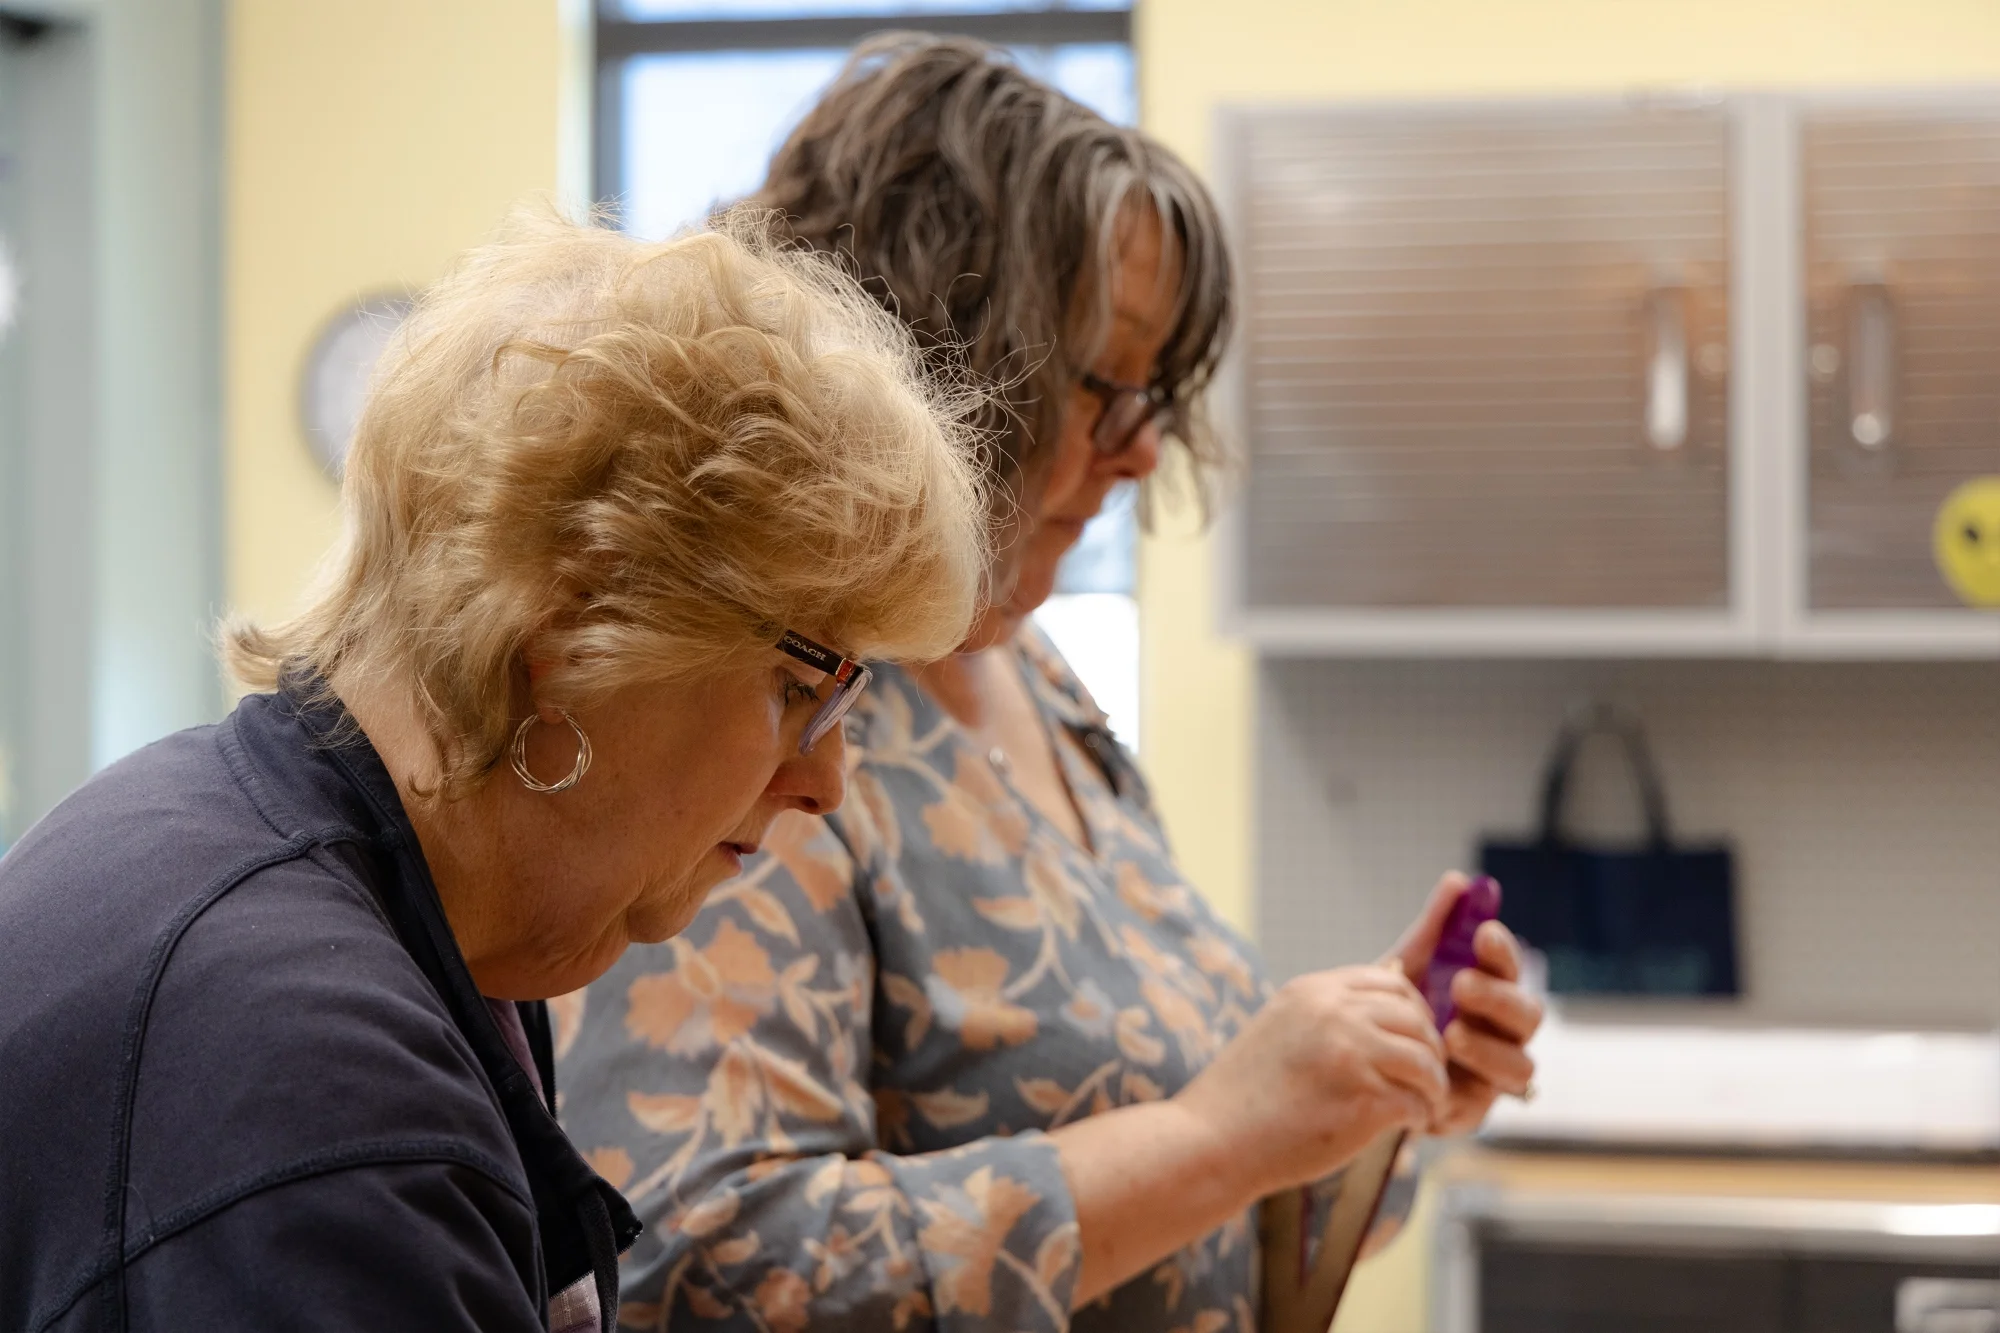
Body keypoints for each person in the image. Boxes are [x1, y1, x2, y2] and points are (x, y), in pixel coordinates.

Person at [557, 37, 1544, 1333]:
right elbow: (702, 1266)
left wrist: (1362, 1101)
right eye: (1104, 386)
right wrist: (1223, 1135)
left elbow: (1192, 1223)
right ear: (949, 361)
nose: (1140, 455)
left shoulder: (1040, 681)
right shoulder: (759, 720)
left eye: (1154, 396)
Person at [0, 207, 992, 1333]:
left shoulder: (300, 871)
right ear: (578, 623)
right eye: (801, 687)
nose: (826, 781)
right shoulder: (319, 1108)